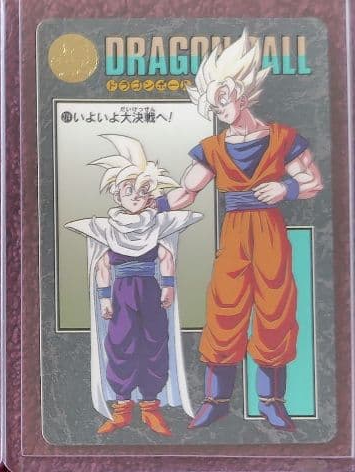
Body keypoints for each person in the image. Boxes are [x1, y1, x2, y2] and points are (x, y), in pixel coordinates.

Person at [158, 30, 324, 431]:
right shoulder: (213, 147)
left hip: (270, 233)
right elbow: (186, 191)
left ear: (241, 94)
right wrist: (153, 205)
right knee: (224, 309)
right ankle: (216, 401)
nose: (219, 109)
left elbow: (313, 182)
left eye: (222, 99)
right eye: (212, 104)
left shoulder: (283, 139)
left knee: (275, 310)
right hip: (234, 235)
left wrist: (285, 188)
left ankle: (272, 402)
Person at [65, 135, 200, 437]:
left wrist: (168, 286)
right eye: (129, 190)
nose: (136, 196)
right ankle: (122, 410)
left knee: (154, 343)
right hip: (121, 293)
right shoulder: (107, 227)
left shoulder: (158, 223)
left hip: (150, 291)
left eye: (142, 190)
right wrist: (104, 298)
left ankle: (151, 408)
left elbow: (165, 255)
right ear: (117, 194)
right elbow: (102, 265)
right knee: (120, 345)